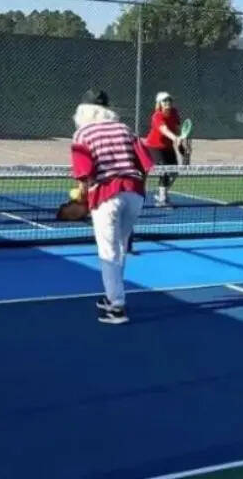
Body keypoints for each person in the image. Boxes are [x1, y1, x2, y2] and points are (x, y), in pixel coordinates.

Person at [71, 89, 154, 324]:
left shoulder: (82, 134)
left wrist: (82, 197)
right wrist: (137, 189)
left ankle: (116, 307)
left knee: (108, 252)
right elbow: (145, 164)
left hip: (106, 194)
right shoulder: (125, 129)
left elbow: (84, 172)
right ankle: (113, 297)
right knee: (120, 246)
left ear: (83, 111)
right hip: (134, 193)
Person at [145, 91, 186, 207]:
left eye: (169, 100)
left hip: (168, 147)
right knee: (164, 170)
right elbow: (164, 130)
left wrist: (180, 141)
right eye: (165, 100)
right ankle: (162, 199)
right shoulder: (157, 116)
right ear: (159, 103)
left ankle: (162, 193)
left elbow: (176, 128)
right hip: (154, 147)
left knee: (174, 172)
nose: (168, 102)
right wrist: (175, 138)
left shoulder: (174, 112)